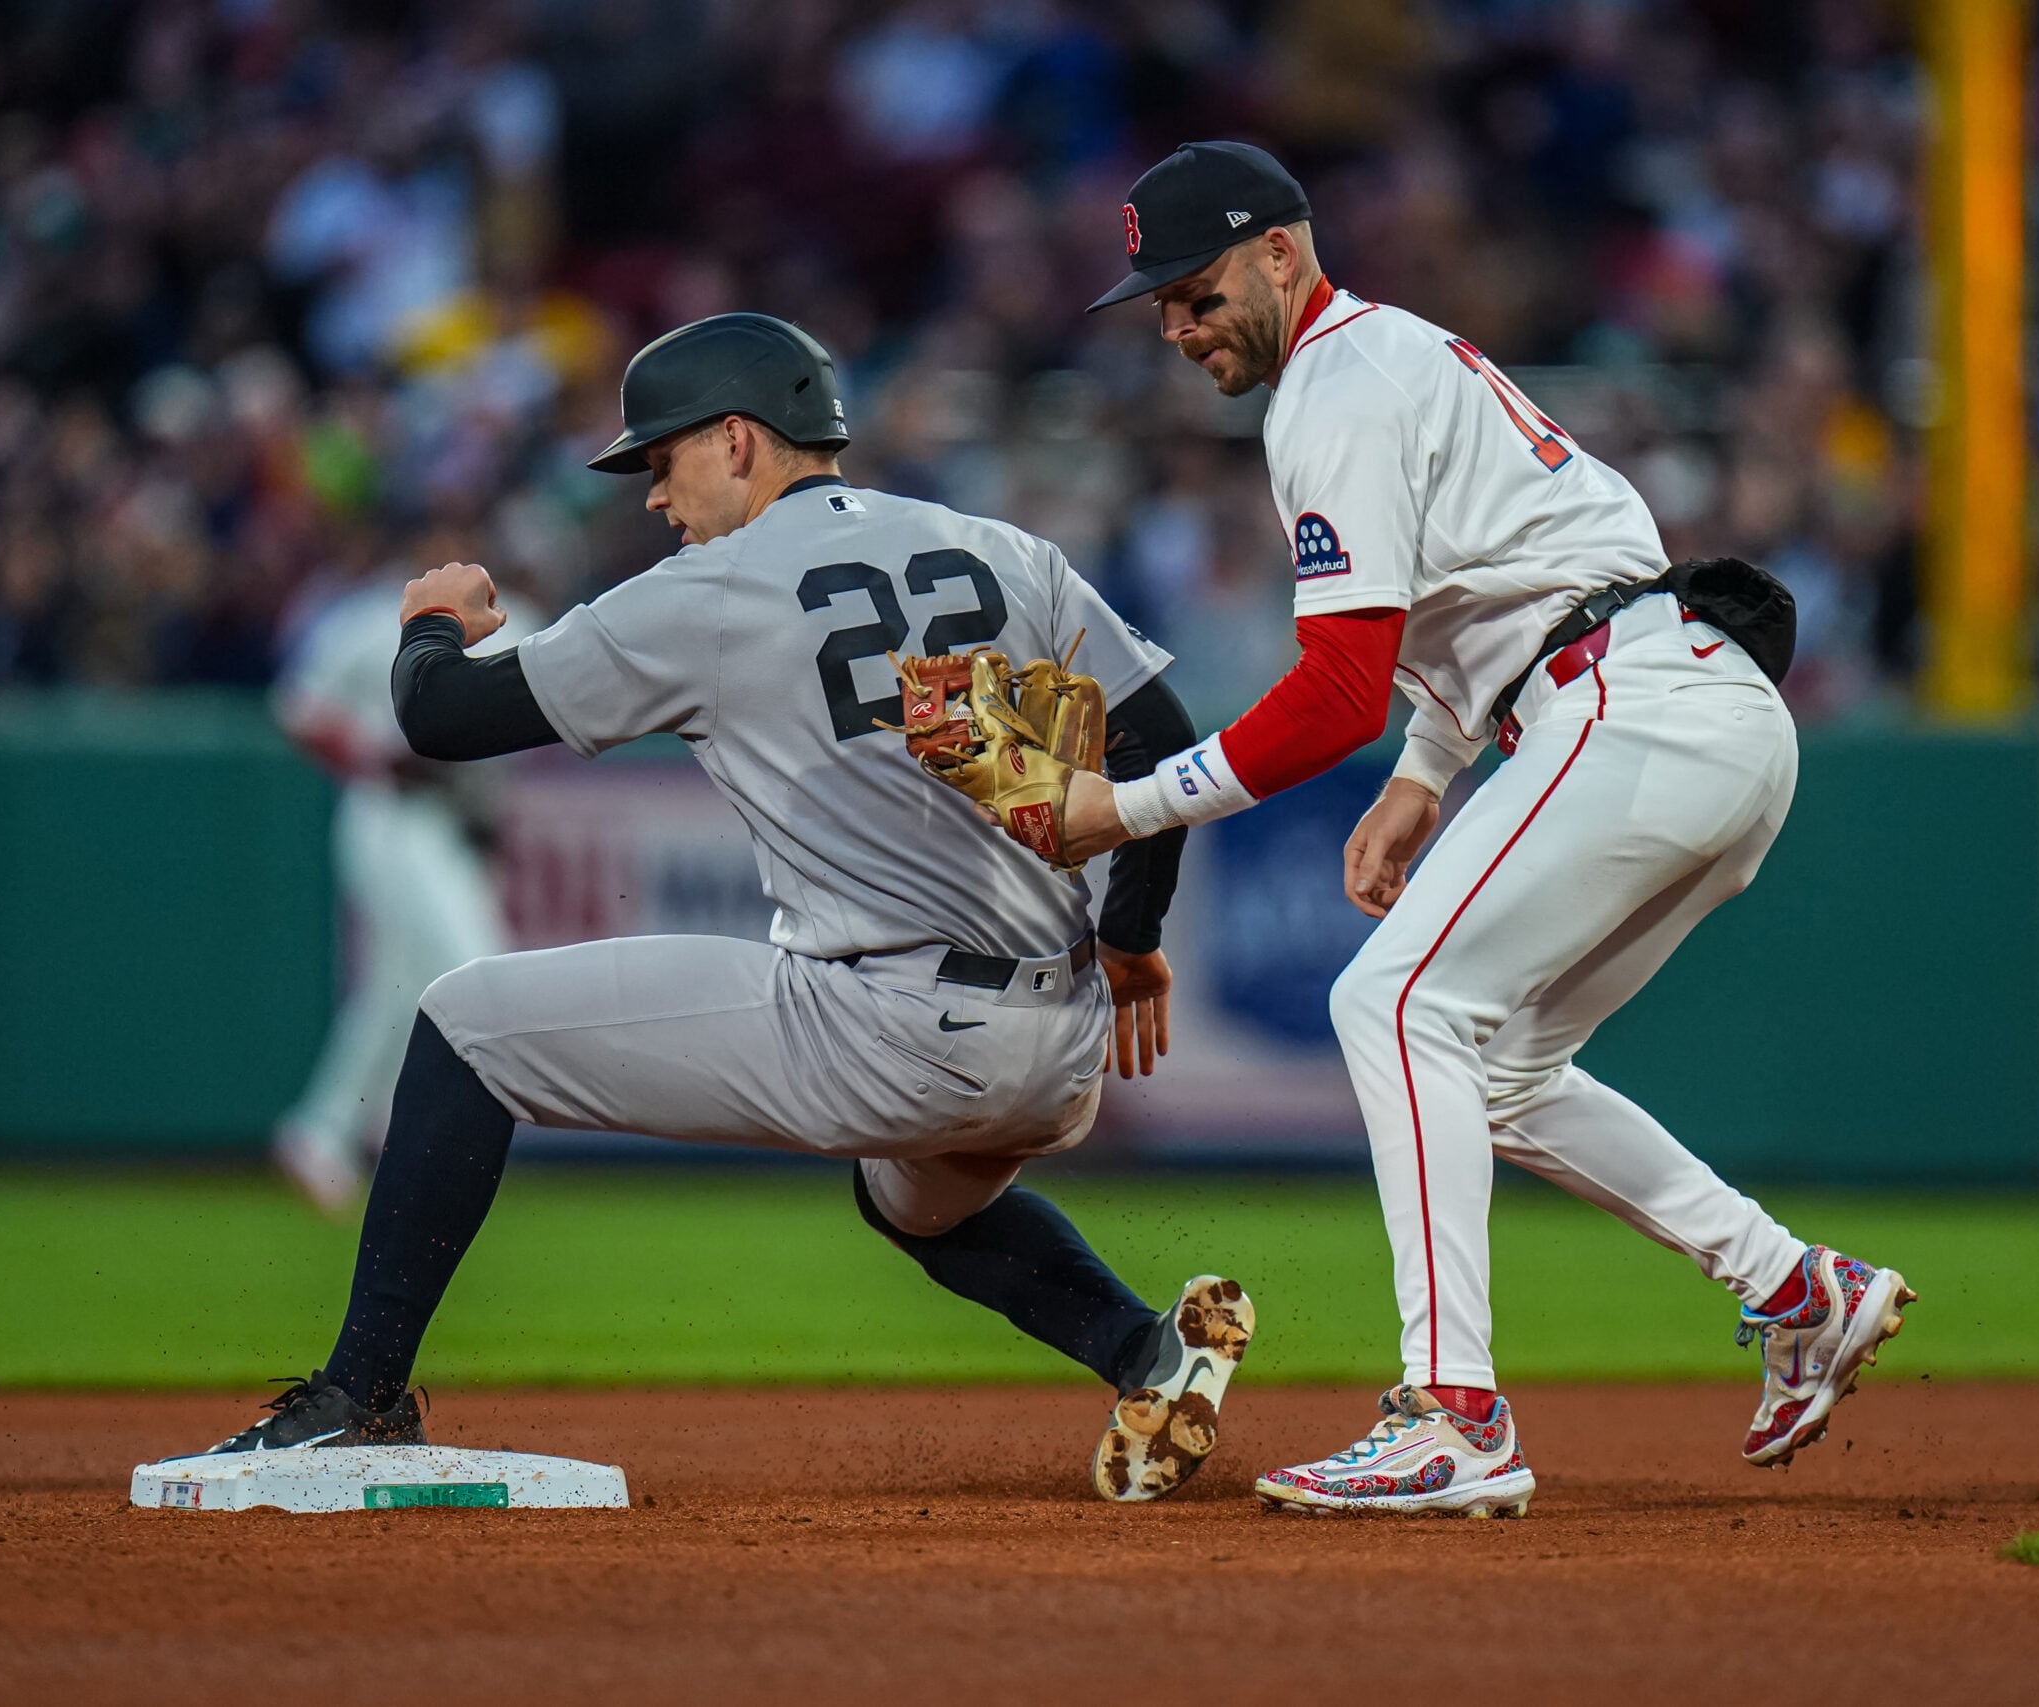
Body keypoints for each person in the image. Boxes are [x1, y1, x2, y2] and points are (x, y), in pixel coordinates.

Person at [177, 314, 1251, 1503]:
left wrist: (429, 622)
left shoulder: (711, 589)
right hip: (1058, 1047)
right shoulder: (998, 547)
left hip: (887, 1030)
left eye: (661, 459)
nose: (650, 494)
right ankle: (1145, 1352)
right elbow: (1162, 743)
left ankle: (358, 1399)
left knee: (466, 1027)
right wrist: (1131, 937)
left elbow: (442, 719)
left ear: (738, 440)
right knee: (911, 1201)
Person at [1059, 142, 1912, 1515]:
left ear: (1282, 250)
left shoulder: (1334, 386)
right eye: (1158, 300)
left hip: (1627, 712)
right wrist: (1427, 769)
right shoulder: (1394, 359)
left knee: (1392, 1004)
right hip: (1685, 708)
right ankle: (1795, 1286)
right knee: (1498, 1066)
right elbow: (1536, 569)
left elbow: (1335, 689)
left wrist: (1132, 804)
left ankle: (1452, 1412)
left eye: (1195, 286)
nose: (1175, 322)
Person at [267, 553, 539, 1215]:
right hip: (393, 812)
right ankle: (439, 1143)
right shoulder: (371, 619)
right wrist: (372, 757)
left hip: (456, 822)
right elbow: (297, 710)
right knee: (473, 966)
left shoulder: (524, 618)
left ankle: (321, 1131)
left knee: (399, 987)